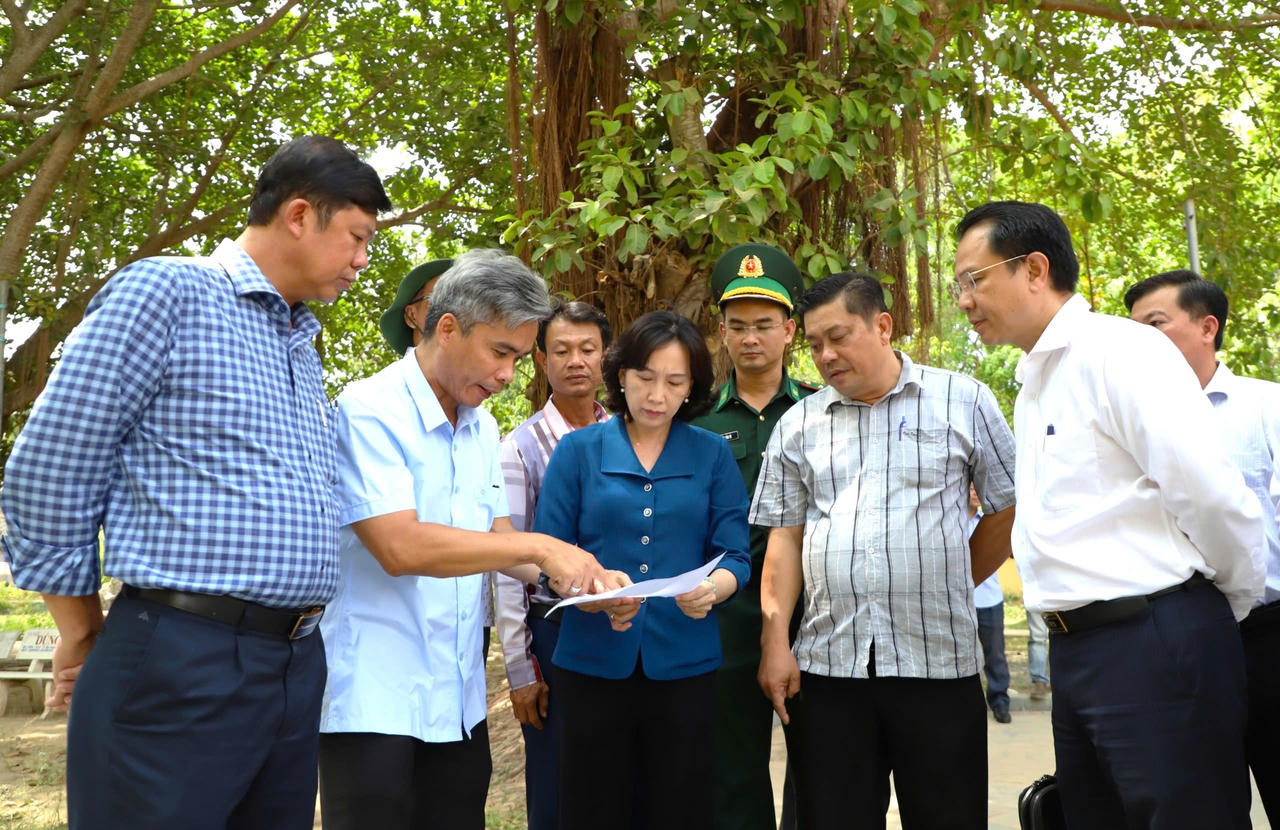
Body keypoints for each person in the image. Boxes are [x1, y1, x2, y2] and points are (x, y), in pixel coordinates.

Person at [0, 136, 391, 829]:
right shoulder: (169, 291)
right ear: (300, 215)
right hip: (183, 657)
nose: (363, 260)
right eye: (357, 237)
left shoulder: (299, 340)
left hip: (294, 664)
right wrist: (81, 626)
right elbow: (52, 464)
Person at [953, 200, 1264, 829]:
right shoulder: (1037, 377)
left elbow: (1211, 496)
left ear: (1034, 269)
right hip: (1080, 650)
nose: (964, 300)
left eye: (973, 279)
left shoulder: (1121, 352)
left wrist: (1213, 609)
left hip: (1154, 640)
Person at [316, 250, 612, 830]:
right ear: (447, 328)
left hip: (458, 696)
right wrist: (541, 549)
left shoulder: (480, 426)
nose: (507, 375)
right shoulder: (370, 410)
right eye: (500, 353)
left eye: (518, 358)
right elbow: (401, 548)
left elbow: (497, 535)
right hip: (374, 698)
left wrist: (584, 580)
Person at [753, 271, 1018, 829]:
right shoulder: (799, 424)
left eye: (839, 336)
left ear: (882, 326)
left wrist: (952, 578)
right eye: (814, 343)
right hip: (829, 669)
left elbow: (1008, 507)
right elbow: (785, 537)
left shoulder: (963, 400)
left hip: (938, 663)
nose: (825, 355)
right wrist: (775, 641)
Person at [533, 310, 753, 830]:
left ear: (691, 387)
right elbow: (549, 558)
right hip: (592, 665)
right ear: (621, 374)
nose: (657, 395)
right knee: (592, 805)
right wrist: (592, 589)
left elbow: (736, 557)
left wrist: (712, 589)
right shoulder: (578, 451)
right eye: (645, 378)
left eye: (674, 382)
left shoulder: (711, 455)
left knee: (680, 805)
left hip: (685, 665)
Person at [1124, 269, 1280, 821]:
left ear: (1207, 326)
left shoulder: (1266, 408)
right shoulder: (1129, 425)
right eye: (1134, 330)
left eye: (1156, 325)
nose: (1142, 342)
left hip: (1266, 636)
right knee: (1202, 805)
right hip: (1173, 644)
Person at [690, 243, 815, 830]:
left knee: (822, 773)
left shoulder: (823, 410)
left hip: (817, 617)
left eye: (765, 325)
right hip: (728, 620)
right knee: (730, 774)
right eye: (737, 326)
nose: (751, 339)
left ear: (791, 330)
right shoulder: (696, 423)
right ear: (720, 332)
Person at [492, 300, 613, 830]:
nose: (576, 361)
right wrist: (521, 669)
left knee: (620, 779)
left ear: (606, 357)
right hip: (555, 636)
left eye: (588, 349)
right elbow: (507, 559)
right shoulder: (518, 448)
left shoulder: (630, 438)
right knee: (559, 783)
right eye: (561, 350)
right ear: (541, 360)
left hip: (623, 628)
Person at [971, 485, 1012, 724]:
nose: (975, 492)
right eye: (971, 488)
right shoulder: (951, 521)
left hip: (989, 601)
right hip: (961, 602)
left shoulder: (991, 520)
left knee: (995, 655)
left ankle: (1000, 702)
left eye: (979, 489)